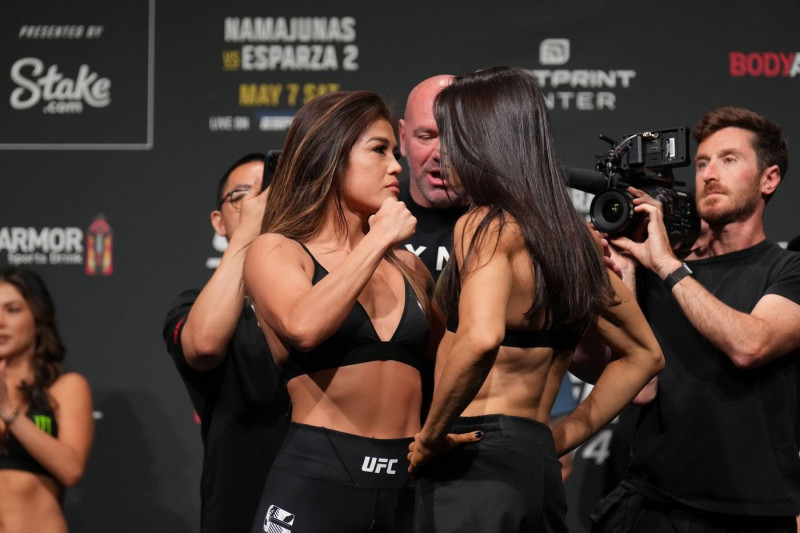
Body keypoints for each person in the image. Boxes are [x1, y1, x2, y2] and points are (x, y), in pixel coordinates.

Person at [406, 66, 665, 533]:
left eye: (455, 135)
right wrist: (557, 438)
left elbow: (482, 338)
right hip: (536, 466)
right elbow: (645, 355)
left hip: (473, 462)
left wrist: (430, 436)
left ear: (481, 141)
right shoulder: (576, 240)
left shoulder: (483, 224)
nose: (445, 152)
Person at [243, 90, 470, 533]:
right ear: (330, 155)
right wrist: (378, 240)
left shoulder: (408, 267)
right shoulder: (279, 250)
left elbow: (452, 360)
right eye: (378, 150)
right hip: (316, 481)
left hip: (407, 485)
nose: (396, 166)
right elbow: (303, 326)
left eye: (393, 151)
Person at [590, 106, 800, 532]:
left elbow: (750, 345)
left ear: (770, 179)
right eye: (702, 162)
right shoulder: (659, 272)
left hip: (750, 515)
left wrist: (666, 264)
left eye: (729, 159)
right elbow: (640, 389)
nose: (708, 174)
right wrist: (630, 269)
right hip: (653, 505)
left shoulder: (787, 269)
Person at [162, 154, 290, 533]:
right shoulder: (192, 305)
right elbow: (202, 345)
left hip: (329, 496)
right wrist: (249, 234)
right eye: (241, 195)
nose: (258, 202)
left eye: (270, 191)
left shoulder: (325, 291)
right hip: (241, 507)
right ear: (218, 221)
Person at [0, 266, 94, 533]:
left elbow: (71, 469)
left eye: (12, 310)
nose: (0, 321)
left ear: (38, 321)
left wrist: (8, 411)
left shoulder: (65, 387)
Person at [397, 74, 469, 278]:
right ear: (403, 138)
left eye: (456, 137)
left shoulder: (504, 221)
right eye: (426, 137)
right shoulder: (369, 216)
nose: (440, 153)